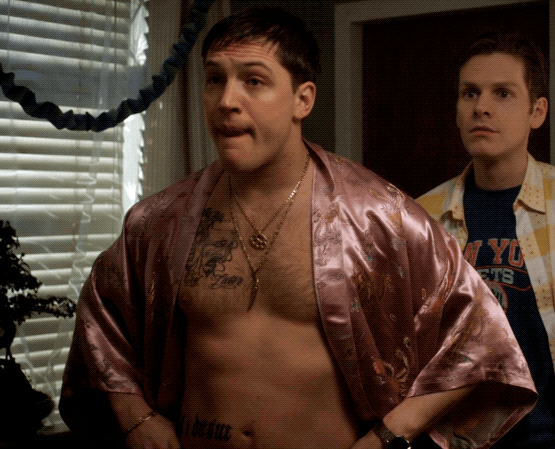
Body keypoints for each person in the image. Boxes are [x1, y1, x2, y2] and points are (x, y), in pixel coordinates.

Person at [60, 9, 536, 449]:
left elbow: (481, 337)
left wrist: (389, 436)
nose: (226, 101)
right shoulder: (160, 222)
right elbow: (100, 323)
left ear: (302, 99)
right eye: (214, 79)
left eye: (253, 81)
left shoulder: (379, 218)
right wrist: (137, 417)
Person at [417, 30, 555, 449]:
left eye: (503, 93)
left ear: (537, 111)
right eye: (470, 93)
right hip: (455, 439)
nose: (482, 107)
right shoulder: (420, 216)